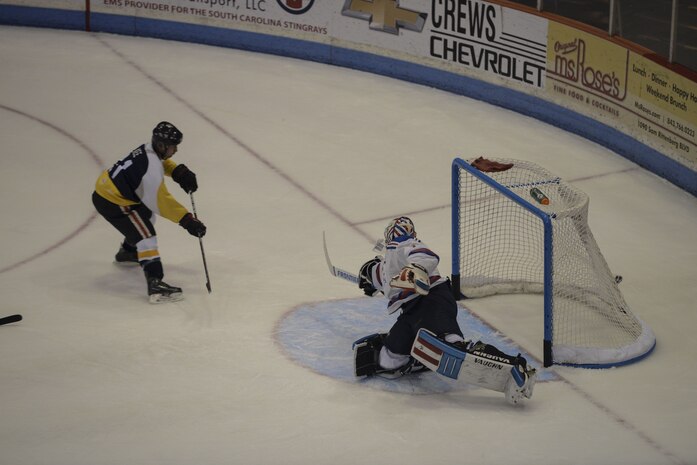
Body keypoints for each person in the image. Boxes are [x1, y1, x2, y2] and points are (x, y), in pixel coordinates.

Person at [354, 216, 536, 404]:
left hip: (432, 299)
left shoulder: (405, 245)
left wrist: (415, 269)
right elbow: (375, 274)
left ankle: (516, 366)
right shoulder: (385, 265)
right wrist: (366, 275)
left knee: (451, 345)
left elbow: (426, 256)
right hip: (410, 313)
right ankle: (419, 358)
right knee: (388, 359)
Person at [92, 122, 206, 304]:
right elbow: (161, 202)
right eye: (173, 146)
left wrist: (178, 172)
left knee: (146, 217)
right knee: (146, 235)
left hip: (113, 193)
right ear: (161, 146)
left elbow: (159, 164)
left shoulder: (148, 150)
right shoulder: (150, 171)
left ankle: (128, 252)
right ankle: (155, 284)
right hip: (113, 201)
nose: (176, 150)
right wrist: (187, 220)